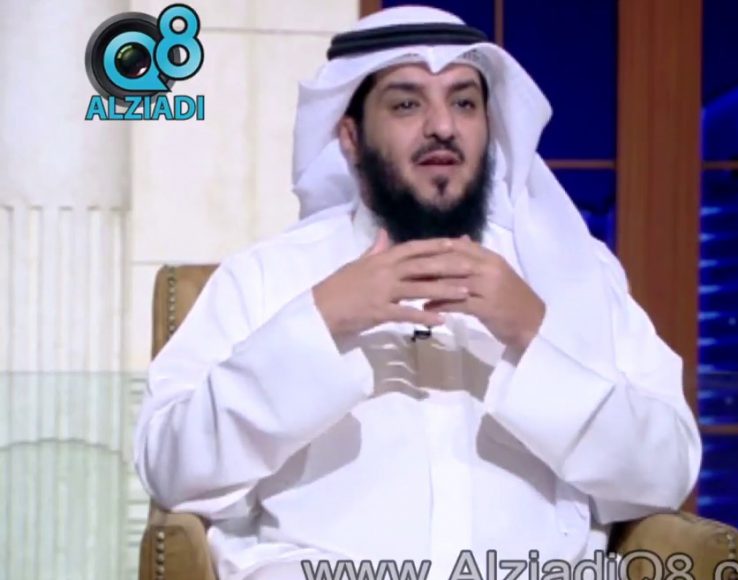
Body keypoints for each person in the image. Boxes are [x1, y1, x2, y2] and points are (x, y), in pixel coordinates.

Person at [132, 5, 702, 579]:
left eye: (464, 103)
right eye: (407, 104)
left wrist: (533, 332)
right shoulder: (265, 278)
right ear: (350, 138)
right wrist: (319, 320)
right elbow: (171, 468)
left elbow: (666, 472)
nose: (443, 126)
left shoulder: (571, 274)